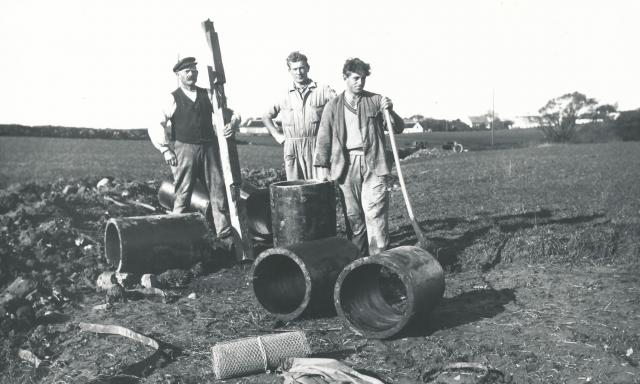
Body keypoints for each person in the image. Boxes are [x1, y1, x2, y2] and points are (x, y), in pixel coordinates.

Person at [313, 58, 404, 256]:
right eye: (355, 78)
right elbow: (323, 139)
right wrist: (322, 168)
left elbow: (397, 128)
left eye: (363, 78)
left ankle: (380, 259)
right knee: (354, 217)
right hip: (346, 166)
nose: (360, 82)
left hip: (375, 163)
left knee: (375, 213)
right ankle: (358, 263)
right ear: (345, 78)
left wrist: (391, 110)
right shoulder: (333, 106)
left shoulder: (376, 100)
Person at [148, 56, 240, 246]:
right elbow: (156, 124)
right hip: (185, 149)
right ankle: (175, 235)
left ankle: (224, 235)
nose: (191, 74)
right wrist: (165, 149)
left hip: (210, 149)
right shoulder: (172, 98)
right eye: (187, 71)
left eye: (194, 70)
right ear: (178, 75)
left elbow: (229, 112)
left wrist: (232, 123)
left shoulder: (209, 94)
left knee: (217, 191)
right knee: (182, 193)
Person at [263, 51, 336, 180]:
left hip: (317, 146)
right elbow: (266, 116)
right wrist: (278, 136)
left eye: (302, 68)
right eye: (295, 69)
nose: (299, 72)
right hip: (292, 148)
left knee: (321, 186)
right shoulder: (283, 94)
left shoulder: (323, 90)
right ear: (289, 71)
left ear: (308, 68)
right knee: (296, 189)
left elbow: (339, 112)